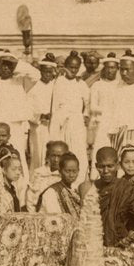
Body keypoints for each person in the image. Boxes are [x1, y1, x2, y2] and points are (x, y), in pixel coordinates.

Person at [0, 51, 38, 171]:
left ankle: (19, 188)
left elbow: (36, 75)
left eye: (10, 65)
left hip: (15, 129)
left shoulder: (21, 81)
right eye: (4, 64)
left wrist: (17, 63)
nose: (6, 68)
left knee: (17, 159)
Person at [49, 52, 89, 184]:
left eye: (76, 68)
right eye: (71, 67)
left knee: (79, 153)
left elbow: (88, 104)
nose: (73, 70)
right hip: (61, 122)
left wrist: (85, 115)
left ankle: (79, 182)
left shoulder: (81, 84)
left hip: (77, 124)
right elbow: (54, 106)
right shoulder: (59, 82)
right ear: (65, 67)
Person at [27, 54, 57, 173]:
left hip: (54, 126)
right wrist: (40, 116)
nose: (47, 74)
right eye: (45, 71)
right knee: (39, 153)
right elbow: (28, 109)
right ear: (40, 71)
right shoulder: (33, 88)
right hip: (39, 127)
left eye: (50, 72)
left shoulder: (56, 87)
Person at [87, 52, 120, 151]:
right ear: (104, 69)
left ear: (117, 69)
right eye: (108, 68)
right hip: (102, 122)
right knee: (101, 148)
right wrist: (108, 112)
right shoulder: (97, 85)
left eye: (113, 68)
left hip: (117, 123)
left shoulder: (120, 85)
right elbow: (93, 106)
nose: (110, 70)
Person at [26, 140, 67, 209]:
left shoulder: (67, 175)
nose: (56, 160)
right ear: (48, 156)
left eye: (59, 156)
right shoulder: (38, 173)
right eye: (53, 155)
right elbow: (30, 198)